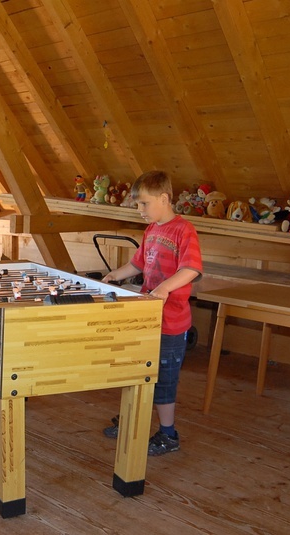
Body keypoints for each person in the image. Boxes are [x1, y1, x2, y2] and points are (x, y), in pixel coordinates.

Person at [101, 170, 202, 456]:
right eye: (138, 204)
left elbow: (191, 269)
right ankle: (133, 419)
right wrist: (114, 275)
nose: (140, 210)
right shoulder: (151, 231)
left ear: (164, 199)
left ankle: (168, 434)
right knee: (136, 371)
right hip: (146, 318)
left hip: (171, 323)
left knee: (164, 380)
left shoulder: (184, 230)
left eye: (144, 203)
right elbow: (137, 264)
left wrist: (165, 288)